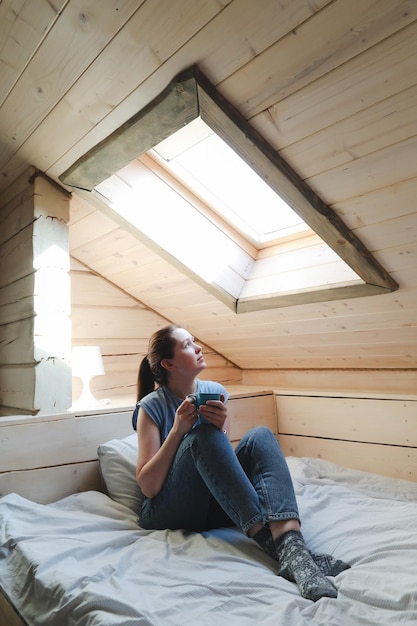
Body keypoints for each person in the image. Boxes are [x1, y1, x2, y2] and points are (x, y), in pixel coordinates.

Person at [132, 324, 349, 602]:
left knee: (260, 435)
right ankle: (284, 551)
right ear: (168, 363)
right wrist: (177, 432)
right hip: (168, 510)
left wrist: (222, 429)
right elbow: (148, 487)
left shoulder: (214, 391)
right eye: (187, 345)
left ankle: (291, 546)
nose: (198, 348)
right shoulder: (151, 406)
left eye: (194, 341)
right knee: (201, 436)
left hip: (214, 504)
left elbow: (221, 462)